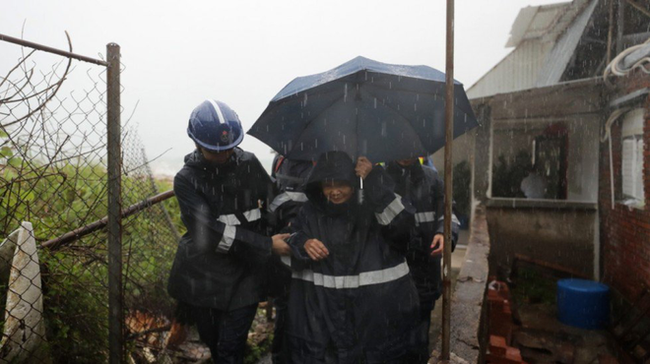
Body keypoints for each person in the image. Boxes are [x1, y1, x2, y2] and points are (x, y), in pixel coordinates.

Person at [167, 99, 291, 363]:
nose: (224, 155)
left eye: (229, 148)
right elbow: (210, 233)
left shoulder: (248, 163)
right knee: (214, 343)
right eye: (216, 151)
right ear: (198, 144)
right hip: (205, 276)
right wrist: (266, 245)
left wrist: (280, 229)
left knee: (230, 349)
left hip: (246, 273)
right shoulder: (187, 180)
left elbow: (272, 200)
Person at [284, 151, 420, 364]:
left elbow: (405, 232)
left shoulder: (373, 203)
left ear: (354, 182)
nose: (335, 191)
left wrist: (374, 179)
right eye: (327, 185)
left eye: (342, 184)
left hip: (375, 321)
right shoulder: (310, 212)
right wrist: (302, 243)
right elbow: (291, 237)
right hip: (324, 322)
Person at [385, 158, 459, 363]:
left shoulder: (432, 178)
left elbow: (448, 212)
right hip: (390, 277)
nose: (406, 153)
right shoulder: (381, 179)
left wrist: (445, 234)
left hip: (424, 275)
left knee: (418, 342)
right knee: (391, 342)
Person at [267, 155, 315, 364]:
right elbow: (271, 204)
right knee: (285, 318)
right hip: (284, 259)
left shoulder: (325, 159)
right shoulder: (280, 160)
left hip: (315, 257)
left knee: (315, 319)